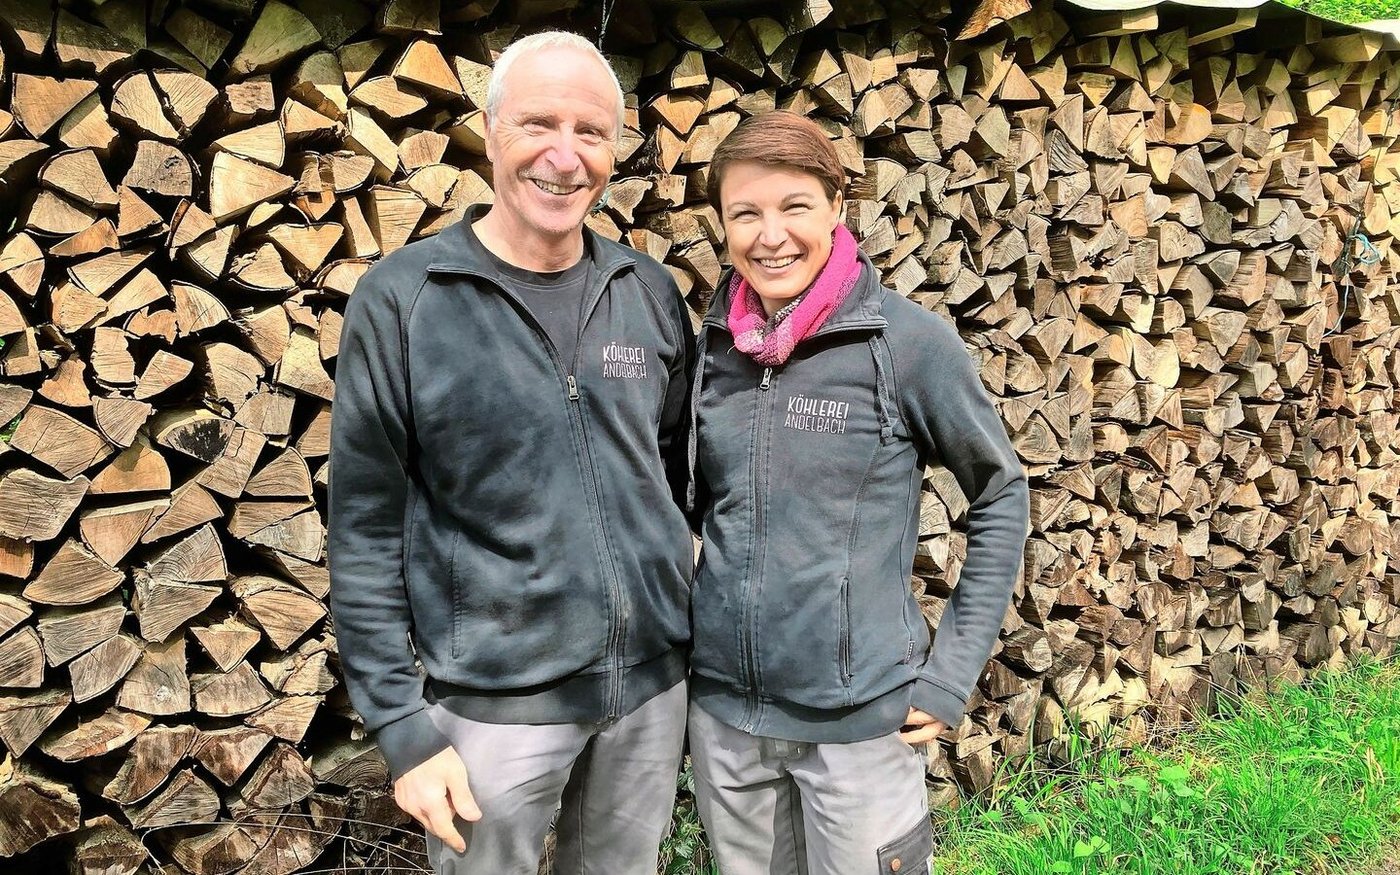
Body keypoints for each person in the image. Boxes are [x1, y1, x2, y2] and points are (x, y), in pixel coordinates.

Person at [327, 31, 695, 875]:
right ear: (490, 134)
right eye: (538, 125)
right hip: (491, 715)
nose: (565, 158)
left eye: (591, 132)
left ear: (616, 148)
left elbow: (677, 478)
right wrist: (403, 731)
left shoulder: (647, 293)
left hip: (647, 696)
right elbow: (362, 529)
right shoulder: (406, 301)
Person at [685, 111, 1030, 875]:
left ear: (837, 207)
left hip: (861, 727)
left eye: (793, 207)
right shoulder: (712, 352)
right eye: (746, 213)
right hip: (726, 723)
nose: (770, 234)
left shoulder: (906, 344)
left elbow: (1001, 494)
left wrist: (948, 675)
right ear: (721, 224)